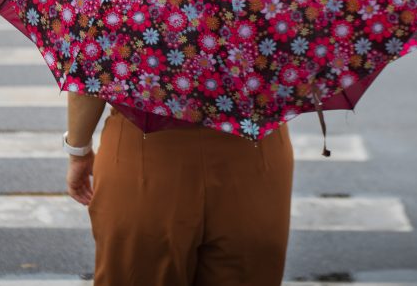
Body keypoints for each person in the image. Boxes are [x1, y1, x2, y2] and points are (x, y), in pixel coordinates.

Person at [64, 92, 295, 286]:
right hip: (254, 146)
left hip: (146, 148)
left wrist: (78, 151)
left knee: (138, 272)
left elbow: (87, 73)